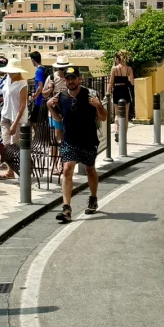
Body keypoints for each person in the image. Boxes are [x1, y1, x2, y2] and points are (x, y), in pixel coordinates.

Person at [55, 66, 107, 223]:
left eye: (73, 78)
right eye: (68, 79)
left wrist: (98, 105)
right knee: (67, 169)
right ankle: (66, 208)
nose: (71, 81)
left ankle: (93, 198)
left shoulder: (90, 95)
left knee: (90, 170)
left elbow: (103, 118)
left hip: (88, 140)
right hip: (70, 140)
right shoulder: (61, 96)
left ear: (80, 79)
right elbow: (58, 118)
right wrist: (50, 107)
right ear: (65, 81)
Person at [0, 61, 29, 181]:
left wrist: (15, 124)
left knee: (15, 146)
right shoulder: (7, 79)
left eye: (12, 71)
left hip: (17, 118)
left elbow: (22, 106)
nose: (9, 73)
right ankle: (10, 170)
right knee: (6, 145)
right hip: (5, 115)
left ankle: (18, 170)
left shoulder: (23, 83)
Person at [109, 49, 135, 125]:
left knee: (117, 113)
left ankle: (117, 130)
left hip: (117, 90)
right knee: (126, 115)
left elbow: (110, 82)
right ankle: (124, 134)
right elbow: (132, 82)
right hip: (125, 90)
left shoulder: (114, 69)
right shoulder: (129, 69)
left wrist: (107, 92)